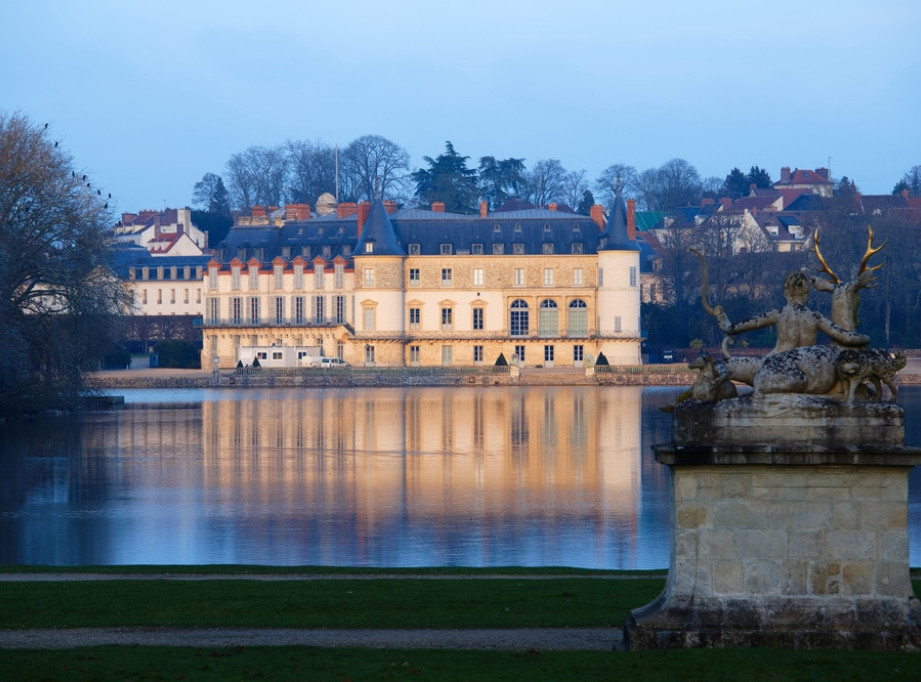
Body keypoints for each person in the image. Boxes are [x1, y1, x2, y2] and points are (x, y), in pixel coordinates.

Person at [715, 271, 868, 355]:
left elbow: (736, 327)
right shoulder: (815, 317)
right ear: (806, 293)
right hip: (809, 363)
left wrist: (723, 320)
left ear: (787, 292)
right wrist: (865, 338)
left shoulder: (779, 314)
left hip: (779, 360)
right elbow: (846, 337)